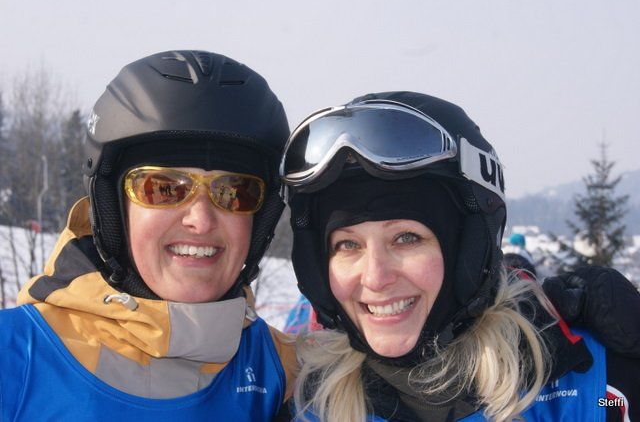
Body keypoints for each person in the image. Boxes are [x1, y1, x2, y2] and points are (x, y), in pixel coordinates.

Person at [280, 92, 640, 421]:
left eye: (406, 238)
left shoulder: (592, 389)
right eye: (348, 245)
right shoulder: (310, 405)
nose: (375, 277)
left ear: (469, 252)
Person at [0, 50, 297, 421]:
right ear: (112, 210)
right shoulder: (15, 357)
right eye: (163, 188)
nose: (201, 220)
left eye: (234, 192)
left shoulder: (292, 378)